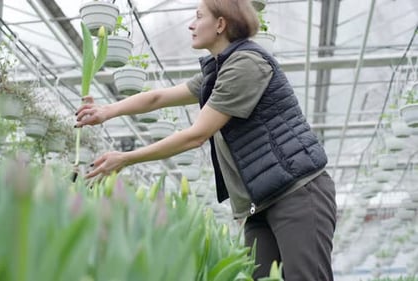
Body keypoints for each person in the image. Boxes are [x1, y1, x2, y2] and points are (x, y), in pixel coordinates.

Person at [74, 0, 337, 280]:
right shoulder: (220, 70)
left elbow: (196, 135)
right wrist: (106, 111)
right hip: (261, 203)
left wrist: (126, 158)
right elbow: (158, 97)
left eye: (199, 17)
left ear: (221, 24)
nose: (191, 24)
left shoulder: (246, 65)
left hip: (298, 192)